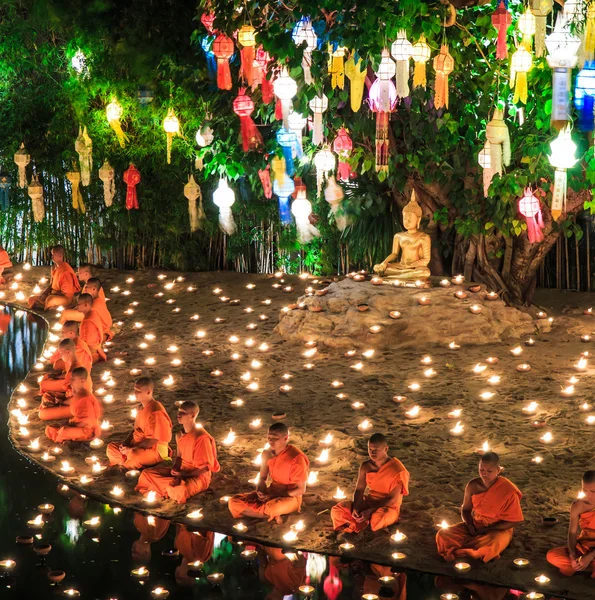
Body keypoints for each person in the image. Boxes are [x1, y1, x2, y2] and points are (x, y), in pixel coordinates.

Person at [436, 451, 523, 563]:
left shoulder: (508, 490)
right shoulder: (473, 485)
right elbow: (466, 509)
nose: (484, 474)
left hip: (498, 529)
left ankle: (469, 550)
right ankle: (471, 549)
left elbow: (513, 521)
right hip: (477, 524)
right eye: (481, 470)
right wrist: (469, 525)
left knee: (492, 544)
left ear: (498, 470)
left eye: (489, 471)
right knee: (443, 534)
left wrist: (488, 529)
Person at [136, 401, 219, 503]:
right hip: (182, 471)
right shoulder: (179, 435)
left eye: (183, 412)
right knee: (146, 474)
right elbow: (179, 457)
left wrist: (184, 474)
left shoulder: (201, 438)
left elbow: (205, 468)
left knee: (179, 489)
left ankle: (167, 488)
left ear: (192, 415)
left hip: (198, 477)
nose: (179, 415)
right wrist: (176, 468)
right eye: (179, 411)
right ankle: (169, 487)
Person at [228, 423, 309, 524]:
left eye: (275, 438)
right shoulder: (267, 453)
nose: (271, 440)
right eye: (269, 437)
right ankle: (273, 516)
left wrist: (275, 494)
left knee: (273, 508)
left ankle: (272, 513)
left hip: (290, 497)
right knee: (233, 502)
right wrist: (260, 490)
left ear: (286, 438)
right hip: (271, 492)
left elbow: (301, 490)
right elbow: (262, 478)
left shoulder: (296, 458)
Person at [331, 432, 410, 533]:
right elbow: (359, 490)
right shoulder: (366, 466)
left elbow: (392, 499)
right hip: (369, 501)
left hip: (387, 507)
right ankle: (360, 523)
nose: (372, 453)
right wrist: (356, 507)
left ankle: (358, 525)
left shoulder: (397, 469)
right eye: (370, 449)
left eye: (376, 450)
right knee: (338, 510)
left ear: (386, 449)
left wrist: (370, 511)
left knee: (378, 519)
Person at [106, 377, 172, 470]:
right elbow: (135, 431)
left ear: (148, 392)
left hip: (155, 451)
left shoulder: (156, 412)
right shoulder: (141, 408)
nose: (135, 393)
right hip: (137, 446)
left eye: (138, 391)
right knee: (111, 447)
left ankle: (126, 463)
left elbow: (152, 441)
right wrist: (125, 444)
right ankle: (126, 462)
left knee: (134, 455)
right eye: (135, 390)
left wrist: (132, 448)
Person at [547, 470, 595, 577]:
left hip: (592, 553)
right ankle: (585, 566)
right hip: (585, 545)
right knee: (552, 556)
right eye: (585, 490)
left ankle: (585, 567)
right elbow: (572, 533)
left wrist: (590, 556)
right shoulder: (578, 505)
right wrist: (573, 555)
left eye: (593, 491)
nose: (588, 495)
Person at [39, 339, 92, 421]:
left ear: (68, 352)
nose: (60, 356)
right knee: (48, 395)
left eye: (61, 353)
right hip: (72, 399)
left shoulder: (75, 371)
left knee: (42, 414)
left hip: (79, 406)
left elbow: (76, 398)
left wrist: (60, 403)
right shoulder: (74, 365)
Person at [45, 367, 102, 442]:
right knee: (50, 428)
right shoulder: (79, 393)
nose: (70, 381)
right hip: (77, 424)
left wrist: (71, 425)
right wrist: (60, 403)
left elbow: (89, 421)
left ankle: (68, 437)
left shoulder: (86, 398)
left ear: (82, 381)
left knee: (64, 431)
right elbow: (72, 403)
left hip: (87, 430)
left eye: (73, 379)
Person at [27, 245, 80, 310]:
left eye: (53, 255)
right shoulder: (54, 268)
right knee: (31, 299)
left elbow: (68, 293)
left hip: (65, 298)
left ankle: (43, 307)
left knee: (50, 300)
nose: (51, 257)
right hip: (52, 295)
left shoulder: (66, 271)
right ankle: (44, 306)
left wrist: (52, 294)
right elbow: (52, 284)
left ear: (60, 256)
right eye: (51, 254)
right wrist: (44, 294)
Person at [77, 293, 106, 363]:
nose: (76, 306)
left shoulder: (88, 321)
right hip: (93, 350)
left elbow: (87, 343)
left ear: (86, 305)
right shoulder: (93, 313)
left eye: (78, 304)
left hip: (90, 354)